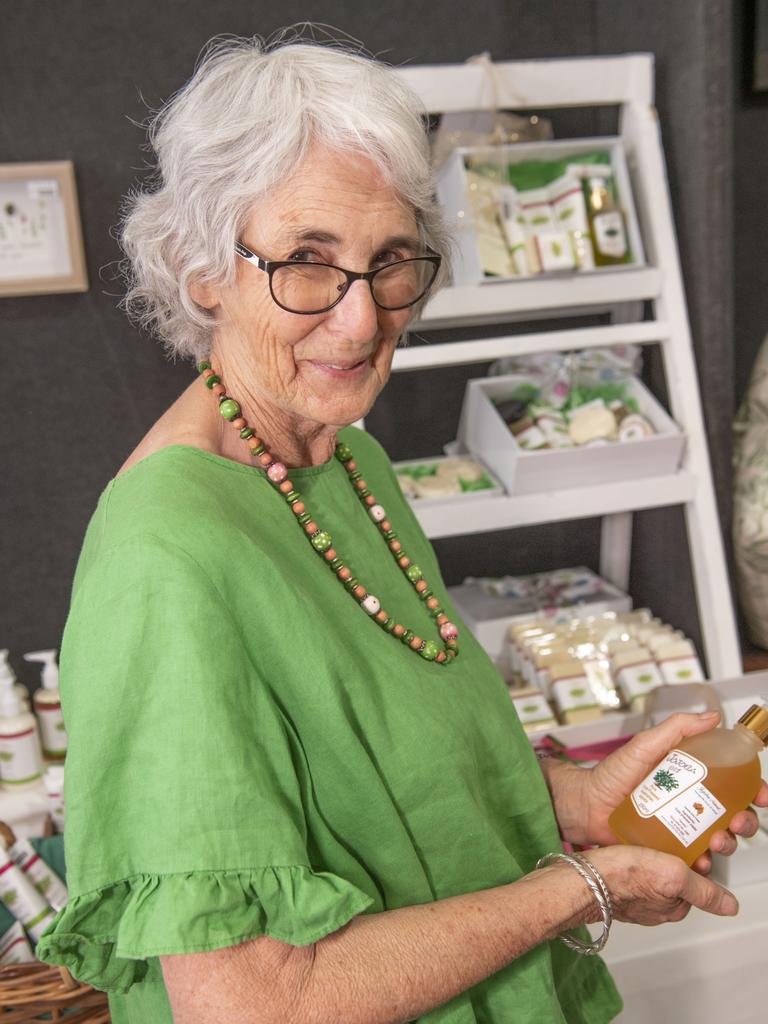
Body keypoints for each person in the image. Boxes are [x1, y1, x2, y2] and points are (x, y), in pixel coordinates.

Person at [37, 31, 767, 1024]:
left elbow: (387, 772)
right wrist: (581, 889)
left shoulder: (348, 461)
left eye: (392, 263)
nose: (360, 320)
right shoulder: (166, 558)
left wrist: (576, 800)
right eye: (306, 262)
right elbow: (253, 1004)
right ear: (202, 268)